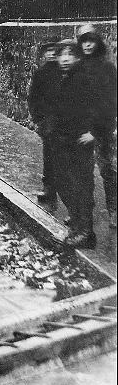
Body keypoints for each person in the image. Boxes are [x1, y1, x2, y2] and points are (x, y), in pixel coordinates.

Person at [50, 39, 102, 248]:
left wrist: (95, 133)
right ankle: (76, 227)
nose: (64, 59)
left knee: (82, 186)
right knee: (64, 183)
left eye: (69, 55)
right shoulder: (63, 78)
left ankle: (86, 233)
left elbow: (104, 105)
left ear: (78, 57)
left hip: (80, 141)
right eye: (61, 54)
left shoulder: (85, 78)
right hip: (63, 141)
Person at [77, 24, 117, 228]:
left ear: (97, 42)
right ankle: (82, 213)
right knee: (82, 173)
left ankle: (113, 210)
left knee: (107, 169)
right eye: (84, 41)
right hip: (82, 129)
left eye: (91, 40)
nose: (88, 45)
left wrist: (97, 132)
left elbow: (109, 103)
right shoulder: (79, 67)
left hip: (101, 129)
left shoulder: (107, 68)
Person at [27, 40, 61, 204]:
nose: (52, 53)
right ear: (44, 54)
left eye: (55, 50)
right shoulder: (40, 73)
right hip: (47, 122)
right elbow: (33, 97)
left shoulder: (63, 71)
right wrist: (37, 119)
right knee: (49, 157)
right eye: (48, 51)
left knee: (65, 160)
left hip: (62, 120)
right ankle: (49, 190)